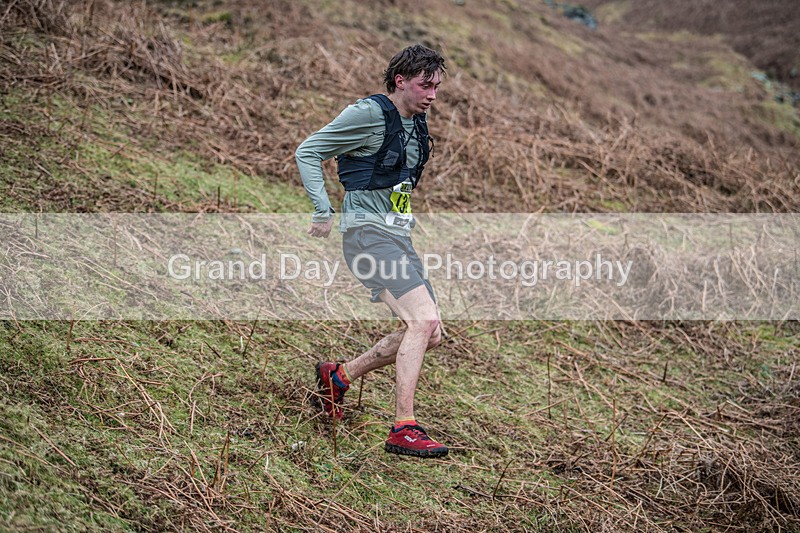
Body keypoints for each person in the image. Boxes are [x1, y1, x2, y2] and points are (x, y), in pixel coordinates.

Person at [295, 44, 448, 458]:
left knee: (431, 334)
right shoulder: (367, 114)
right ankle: (404, 426)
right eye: (424, 85)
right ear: (400, 81)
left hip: (397, 237)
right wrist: (322, 208)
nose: (432, 94)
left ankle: (339, 377)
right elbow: (308, 151)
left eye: (437, 86)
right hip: (365, 235)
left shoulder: (417, 122)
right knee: (423, 320)